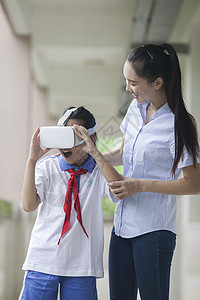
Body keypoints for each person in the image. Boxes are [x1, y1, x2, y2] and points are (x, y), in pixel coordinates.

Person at [103, 44, 200, 300]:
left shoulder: (179, 125)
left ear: (157, 82)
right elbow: (124, 154)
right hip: (122, 229)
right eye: (126, 81)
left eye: (133, 83)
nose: (128, 88)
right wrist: (91, 154)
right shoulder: (134, 110)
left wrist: (141, 185)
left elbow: (193, 184)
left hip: (154, 232)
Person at [19, 106, 122, 300]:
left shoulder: (100, 171)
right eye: (61, 136)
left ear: (89, 138)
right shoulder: (47, 167)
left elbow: (120, 191)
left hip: (81, 265)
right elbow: (28, 205)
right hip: (43, 260)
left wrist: (96, 155)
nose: (65, 145)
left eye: (73, 137)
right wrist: (31, 160)